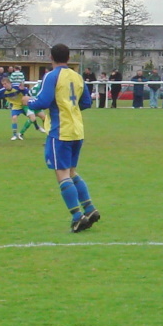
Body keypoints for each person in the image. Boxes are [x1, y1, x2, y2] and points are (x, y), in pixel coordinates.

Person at [23, 43, 100, 233]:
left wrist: (28, 101)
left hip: (60, 131)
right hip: (77, 130)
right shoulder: (77, 76)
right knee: (72, 172)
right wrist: (70, 109)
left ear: (51, 57)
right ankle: (89, 208)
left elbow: (42, 101)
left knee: (62, 175)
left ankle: (77, 217)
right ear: (68, 57)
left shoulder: (51, 76)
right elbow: (86, 102)